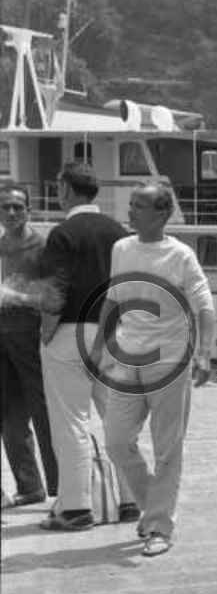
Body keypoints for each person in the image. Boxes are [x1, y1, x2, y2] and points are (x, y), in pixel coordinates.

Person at [98, 184, 216, 557]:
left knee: (167, 449)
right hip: (126, 358)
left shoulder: (180, 255)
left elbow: (205, 306)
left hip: (170, 361)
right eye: (131, 204)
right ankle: (154, 508)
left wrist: (204, 354)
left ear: (162, 214)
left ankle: (159, 526)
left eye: (139, 206)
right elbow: (113, 299)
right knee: (116, 441)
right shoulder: (121, 248)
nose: (130, 211)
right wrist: (100, 347)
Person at [36, 162, 138, 532]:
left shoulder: (63, 234)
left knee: (71, 422)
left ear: (66, 188)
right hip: (112, 334)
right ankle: (130, 499)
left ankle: (76, 508)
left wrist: (46, 332)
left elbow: (55, 290)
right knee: (118, 418)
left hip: (70, 333)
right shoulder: (119, 233)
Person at [0, 182, 57, 508]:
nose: (11, 212)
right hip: (2, 338)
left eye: (17, 207)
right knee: (10, 418)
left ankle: (63, 489)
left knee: (45, 414)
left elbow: (54, 297)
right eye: (5, 207)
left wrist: (16, 296)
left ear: (28, 211)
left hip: (33, 338)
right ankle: (30, 486)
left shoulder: (43, 248)